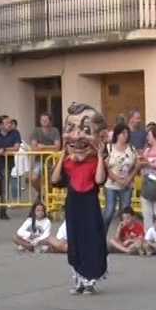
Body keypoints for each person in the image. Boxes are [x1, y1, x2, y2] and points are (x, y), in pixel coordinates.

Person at [52, 103, 109, 293]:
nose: (76, 136)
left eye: (85, 130)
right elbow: (55, 179)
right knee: (75, 241)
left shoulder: (95, 163)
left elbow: (99, 180)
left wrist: (100, 156)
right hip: (73, 204)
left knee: (91, 241)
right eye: (70, 129)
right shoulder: (68, 163)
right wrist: (62, 154)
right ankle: (78, 280)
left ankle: (90, 280)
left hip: (89, 204)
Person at [101, 124, 137, 232]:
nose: (125, 135)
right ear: (117, 134)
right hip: (111, 184)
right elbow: (105, 166)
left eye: (127, 133)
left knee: (124, 212)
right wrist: (117, 179)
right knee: (109, 211)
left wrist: (128, 179)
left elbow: (136, 166)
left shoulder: (132, 148)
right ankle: (102, 234)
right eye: (123, 133)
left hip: (127, 184)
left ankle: (122, 236)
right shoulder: (109, 148)